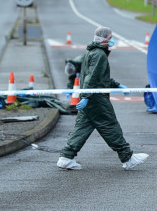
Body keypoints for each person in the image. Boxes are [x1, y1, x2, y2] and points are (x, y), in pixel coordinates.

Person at [58, 27, 148, 171]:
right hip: (97, 99)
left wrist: (117, 85)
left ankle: (66, 157)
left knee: (82, 128)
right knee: (110, 126)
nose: (112, 39)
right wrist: (87, 96)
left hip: (90, 98)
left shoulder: (91, 52)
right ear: (105, 39)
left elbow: (99, 77)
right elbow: (92, 77)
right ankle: (127, 158)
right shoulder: (99, 54)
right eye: (111, 37)